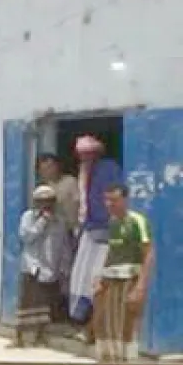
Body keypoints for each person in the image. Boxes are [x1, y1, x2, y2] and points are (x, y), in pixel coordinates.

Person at [81, 184, 152, 365]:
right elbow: (111, 252)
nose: (109, 204)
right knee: (101, 323)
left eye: (114, 200)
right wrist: (101, 278)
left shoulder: (137, 221)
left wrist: (140, 286)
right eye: (107, 200)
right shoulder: (112, 223)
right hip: (110, 279)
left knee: (126, 327)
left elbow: (148, 254)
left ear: (125, 200)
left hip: (129, 279)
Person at [68, 135, 124, 325]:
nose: (85, 157)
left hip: (107, 229)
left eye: (89, 153)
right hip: (90, 229)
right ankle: (83, 317)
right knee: (82, 276)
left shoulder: (108, 169)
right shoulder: (84, 172)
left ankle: (97, 321)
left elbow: (115, 196)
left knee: (100, 277)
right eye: (82, 154)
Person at [15, 185, 68, 347]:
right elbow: (26, 237)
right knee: (28, 304)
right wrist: (42, 222)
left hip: (51, 269)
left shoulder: (60, 221)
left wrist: (64, 267)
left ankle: (40, 336)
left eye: (49, 201)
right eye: (42, 201)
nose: (46, 205)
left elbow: (64, 245)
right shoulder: (28, 217)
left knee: (45, 306)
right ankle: (20, 337)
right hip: (33, 267)